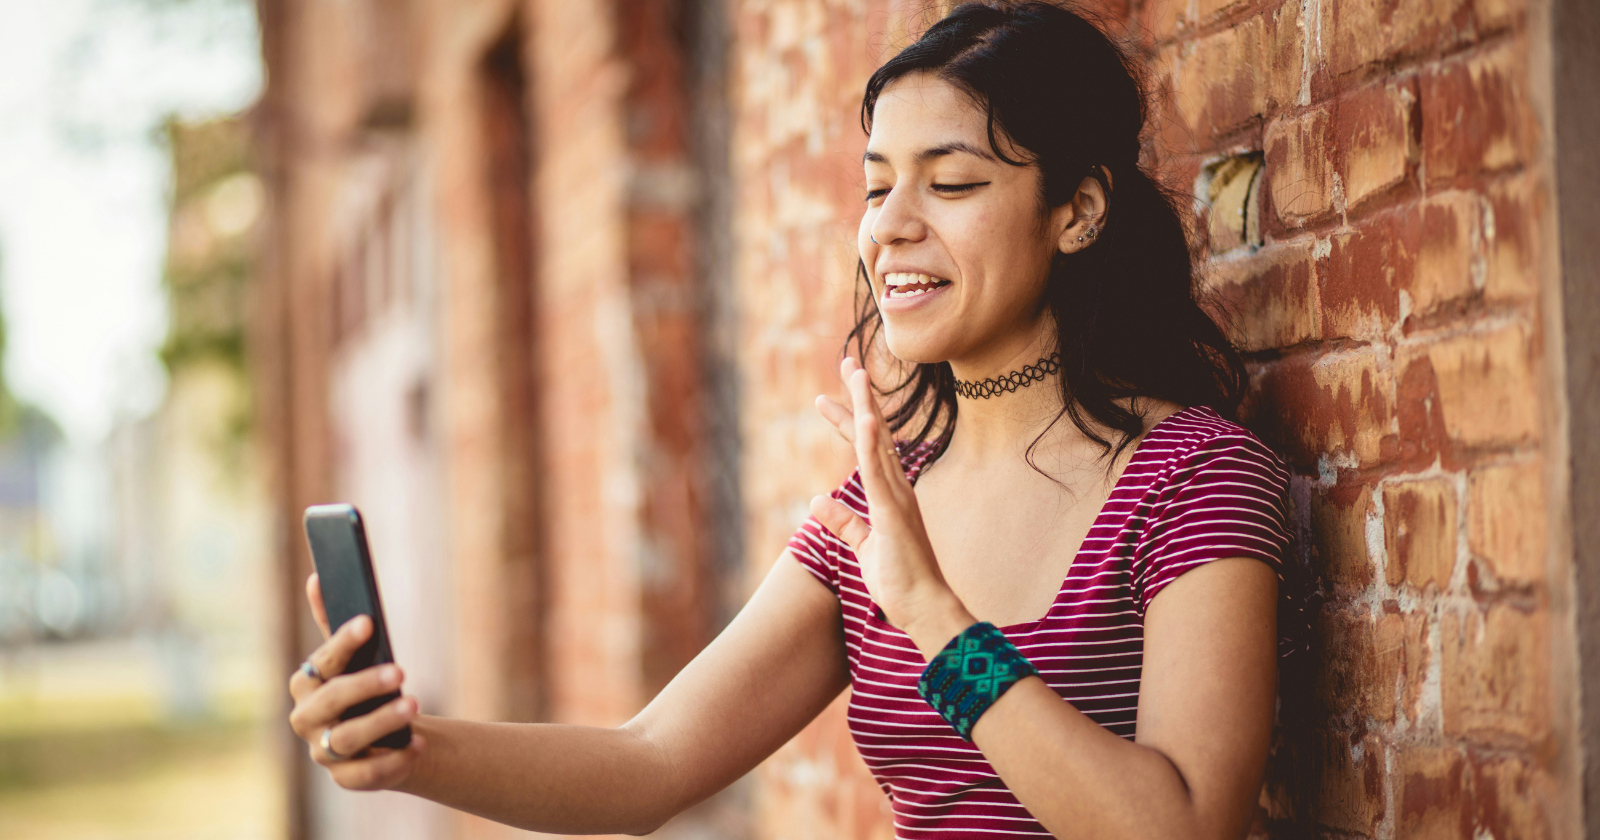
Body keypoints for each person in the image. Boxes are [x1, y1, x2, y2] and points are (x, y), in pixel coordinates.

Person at [287, 3, 1304, 837]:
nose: (891, 225)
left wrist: (935, 620)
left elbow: (1179, 827)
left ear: (1078, 211)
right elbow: (649, 763)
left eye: (951, 182)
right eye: (876, 185)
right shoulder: (873, 511)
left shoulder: (1193, 479)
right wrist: (412, 751)